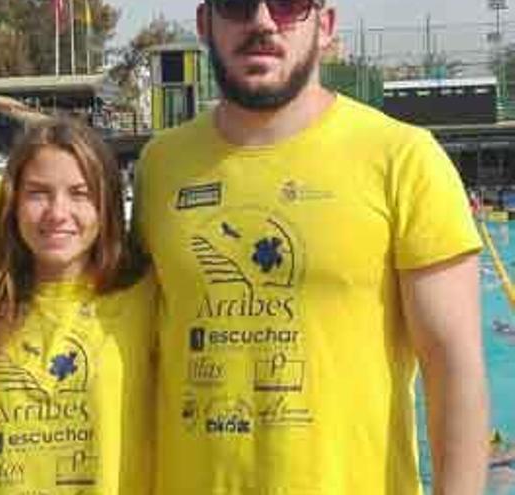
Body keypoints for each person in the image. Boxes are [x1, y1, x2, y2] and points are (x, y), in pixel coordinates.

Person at [134, 1, 488, 494]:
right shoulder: (160, 166)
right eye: (236, 5)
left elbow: (453, 366)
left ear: (324, 25)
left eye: (288, 4)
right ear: (204, 24)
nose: (261, 22)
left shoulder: (402, 158)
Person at [0, 118, 155, 494]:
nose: (57, 212)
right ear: (13, 203)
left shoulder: (145, 297)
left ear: (106, 205)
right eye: (38, 193)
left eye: (80, 193)